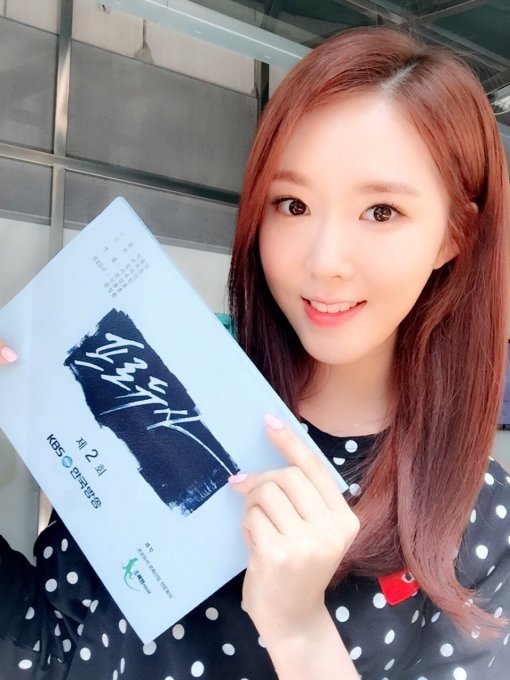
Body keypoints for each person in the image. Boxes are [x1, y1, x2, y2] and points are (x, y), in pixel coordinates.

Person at [0, 25, 509, 680]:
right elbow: (49, 645)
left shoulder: (481, 520)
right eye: (292, 204)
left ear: (453, 235)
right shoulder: (161, 387)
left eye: (381, 211)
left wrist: (299, 632)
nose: (325, 261)